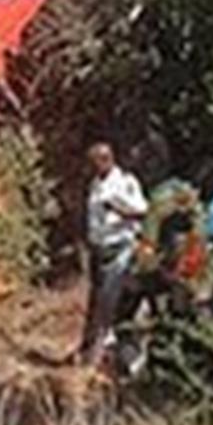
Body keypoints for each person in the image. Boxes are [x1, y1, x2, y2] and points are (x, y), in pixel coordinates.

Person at [78, 141, 148, 363]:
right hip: (98, 248)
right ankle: (91, 349)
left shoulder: (125, 182)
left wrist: (119, 210)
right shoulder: (95, 184)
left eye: (97, 161)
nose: (94, 167)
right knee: (96, 301)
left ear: (107, 159)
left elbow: (142, 211)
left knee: (111, 301)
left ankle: (109, 349)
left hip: (120, 248)